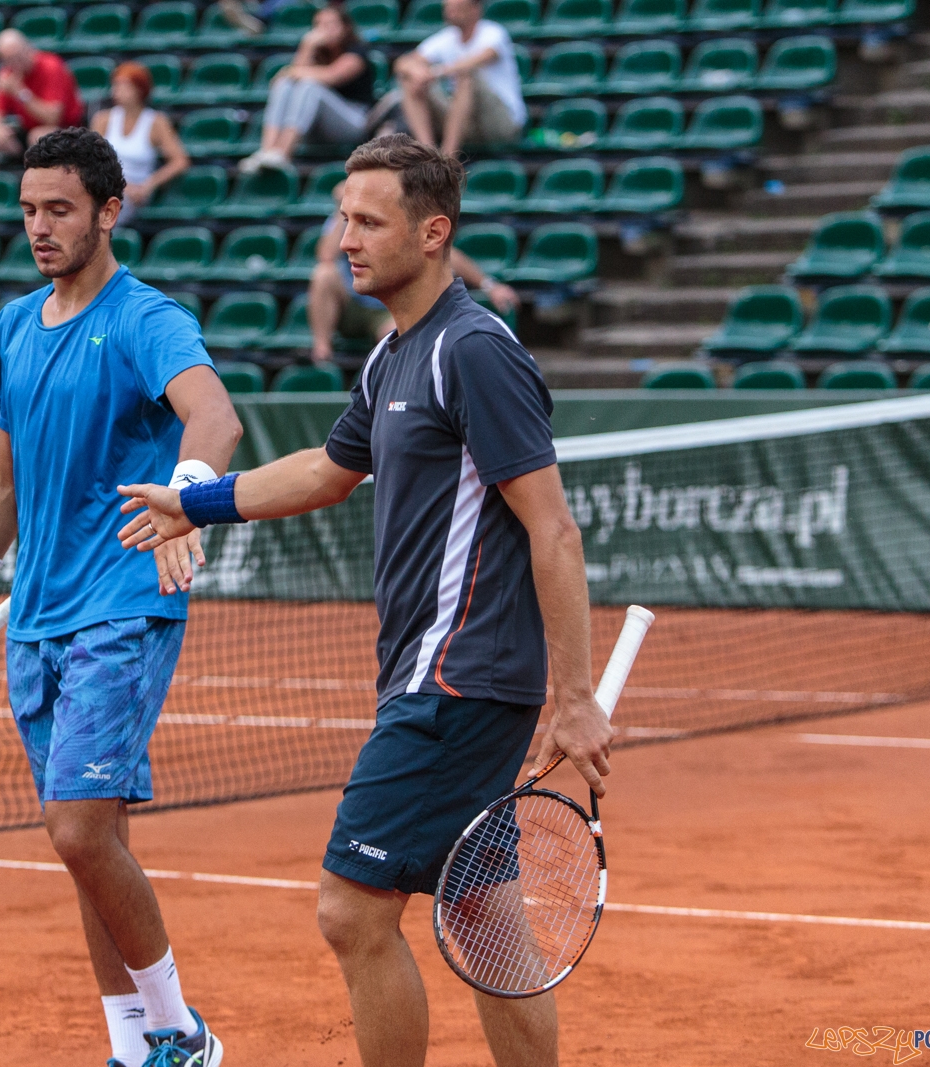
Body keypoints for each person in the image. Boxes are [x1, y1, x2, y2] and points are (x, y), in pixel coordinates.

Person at [115, 134, 612, 1067]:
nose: (347, 237)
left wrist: (575, 694)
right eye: (344, 216)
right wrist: (195, 501)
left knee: (350, 910)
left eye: (369, 221)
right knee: (488, 921)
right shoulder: (396, 355)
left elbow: (554, 528)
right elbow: (326, 471)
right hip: (443, 678)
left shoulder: (472, 353)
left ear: (433, 234)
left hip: (456, 681)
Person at [0, 128, 240, 1067]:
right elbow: (1, 484)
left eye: (60, 209)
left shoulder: (148, 318)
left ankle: (184, 1035)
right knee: (92, 844)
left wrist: (188, 498)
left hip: (123, 606)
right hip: (35, 618)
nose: (40, 227)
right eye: (28, 210)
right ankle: (132, 1047)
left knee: (75, 828)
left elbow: (215, 414)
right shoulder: (16, 325)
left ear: (109, 210)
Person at [309, 177, 520, 365]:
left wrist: (489, 285)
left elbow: (445, 255)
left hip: (388, 308)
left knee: (395, 337)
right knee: (323, 274)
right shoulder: (345, 217)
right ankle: (321, 353)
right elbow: (326, 255)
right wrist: (341, 210)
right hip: (353, 300)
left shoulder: (396, 217)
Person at [238, 3, 375, 175]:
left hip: (354, 122)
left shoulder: (357, 51)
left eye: (331, 24)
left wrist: (293, 71)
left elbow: (332, 75)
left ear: (345, 27)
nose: (324, 30)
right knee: (285, 85)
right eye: (319, 25)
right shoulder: (317, 52)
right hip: (317, 127)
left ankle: (283, 153)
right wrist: (307, 46)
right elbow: (292, 79)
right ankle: (268, 150)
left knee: (311, 86)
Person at [391, 0, 526, 157]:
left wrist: (433, 72)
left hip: (502, 123)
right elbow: (402, 63)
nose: (450, 13)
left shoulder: (493, 32)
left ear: (476, 9)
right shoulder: (446, 37)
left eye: (457, 8)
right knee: (410, 81)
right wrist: (416, 72)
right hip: (465, 122)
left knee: (467, 76)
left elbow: (477, 60)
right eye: (448, 8)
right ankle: (427, 155)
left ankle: (448, 157)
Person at [0, 29, 85, 177]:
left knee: (38, 136)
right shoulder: (8, 74)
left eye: (16, 57)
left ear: (28, 49)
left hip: (66, 131)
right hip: (27, 130)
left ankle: (39, 191)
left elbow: (53, 118)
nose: (13, 63)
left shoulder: (51, 66)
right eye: (7, 60)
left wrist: (20, 93)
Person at [93, 62, 191, 226]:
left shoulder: (156, 122)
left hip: (135, 193)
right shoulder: (103, 119)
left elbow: (180, 161)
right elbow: (92, 160)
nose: (116, 90)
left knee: (108, 211)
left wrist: (148, 185)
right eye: (115, 85)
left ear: (139, 89)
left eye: (123, 86)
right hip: (106, 184)